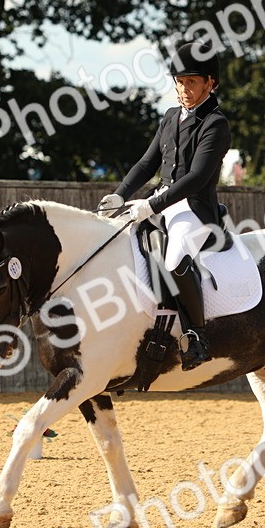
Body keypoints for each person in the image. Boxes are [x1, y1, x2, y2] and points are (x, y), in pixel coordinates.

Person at [98, 42, 231, 371]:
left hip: (193, 208)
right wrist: (120, 194)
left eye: (191, 82)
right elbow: (146, 164)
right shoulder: (170, 118)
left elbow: (198, 177)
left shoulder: (215, 124)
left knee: (175, 258)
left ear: (210, 83)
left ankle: (195, 336)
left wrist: (152, 203)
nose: (183, 89)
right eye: (179, 81)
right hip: (158, 202)